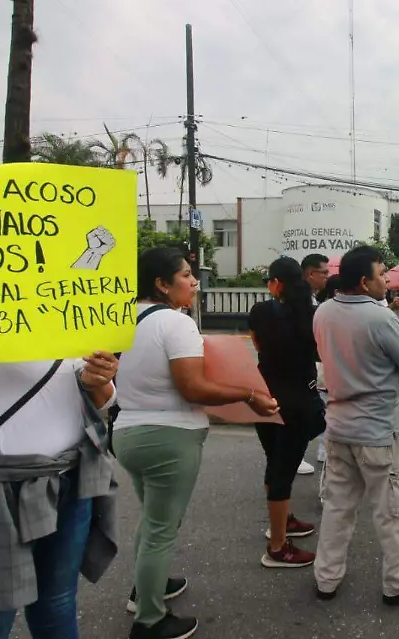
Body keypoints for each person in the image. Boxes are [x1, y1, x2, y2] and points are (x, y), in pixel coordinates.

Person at [115, 247, 279, 639]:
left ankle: (146, 588)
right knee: (161, 527)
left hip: (128, 433)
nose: (194, 282)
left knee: (154, 519)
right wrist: (248, 394)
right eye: (186, 275)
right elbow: (194, 387)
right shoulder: (176, 323)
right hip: (169, 437)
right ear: (161, 284)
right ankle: (149, 620)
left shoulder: (122, 318)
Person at [0, 356, 119, 639]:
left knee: (57, 603)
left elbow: (103, 401)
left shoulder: (68, 322)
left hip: (68, 479)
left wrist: (99, 378)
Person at [312, 245, 399, 605]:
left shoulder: (322, 312)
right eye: (381, 274)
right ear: (365, 282)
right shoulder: (380, 317)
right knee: (395, 511)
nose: (386, 279)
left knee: (338, 507)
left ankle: (326, 578)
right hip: (379, 431)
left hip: (337, 428)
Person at [248, 257, 325, 569]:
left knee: (274, 462)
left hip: (264, 396)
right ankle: (277, 547)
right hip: (299, 400)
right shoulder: (313, 314)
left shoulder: (260, 312)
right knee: (284, 471)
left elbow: (258, 347)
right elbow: (320, 352)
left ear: (276, 283)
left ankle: (282, 521)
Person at [298, 253, 331, 473]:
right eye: (324, 272)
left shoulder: (312, 299)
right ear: (311, 273)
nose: (327, 277)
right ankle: (295, 455)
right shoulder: (302, 301)